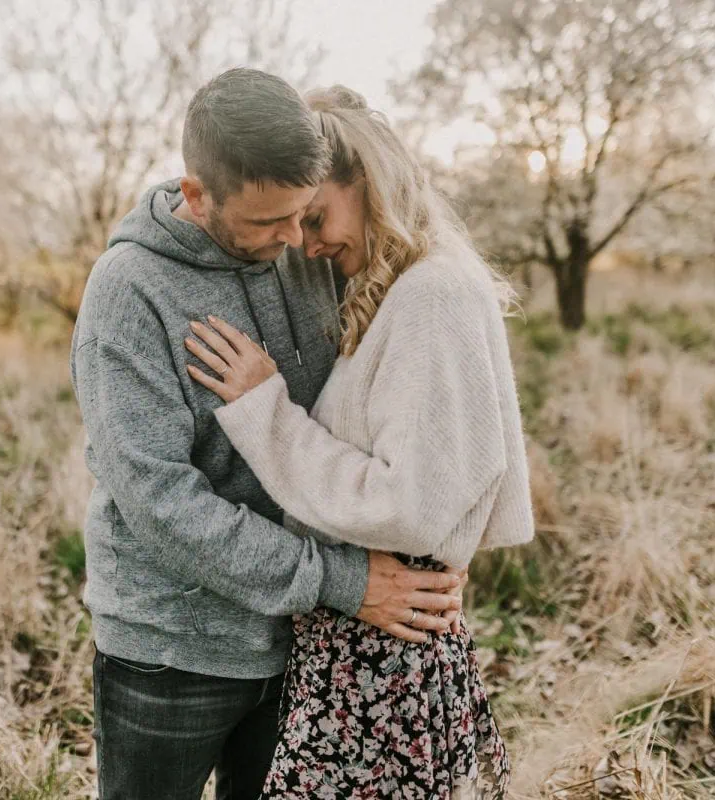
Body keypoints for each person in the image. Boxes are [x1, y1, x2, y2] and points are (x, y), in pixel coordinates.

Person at [69, 69, 466, 800]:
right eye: (267, 224)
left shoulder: (303, 251)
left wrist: (431, 541)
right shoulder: (128, 293)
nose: (294, 241)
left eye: (303, 214)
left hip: (303, 643)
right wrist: (343, 582)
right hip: (171, 652)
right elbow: (161, 502)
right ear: (196, 196)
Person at [185, 84, 535, 798]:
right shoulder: (401, 288)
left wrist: (265, 411)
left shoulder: (432, 295)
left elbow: (409, 502)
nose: (308, 245)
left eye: (315, 217)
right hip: (367, 637)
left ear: (367, 179)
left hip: (383, 647)